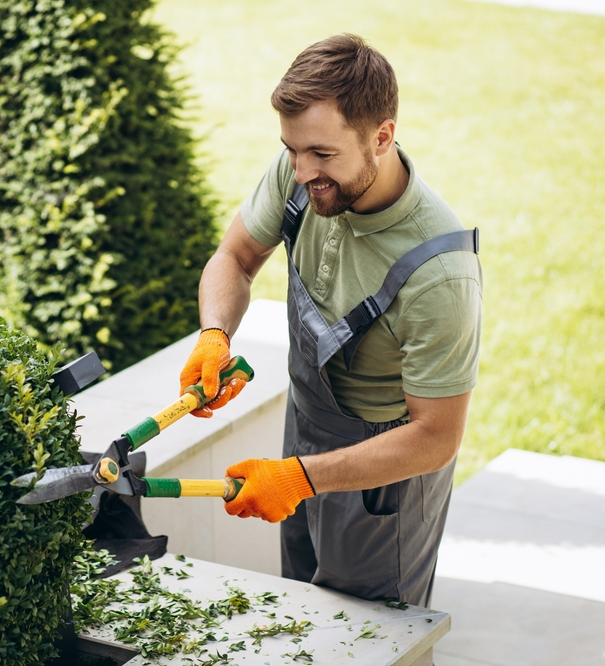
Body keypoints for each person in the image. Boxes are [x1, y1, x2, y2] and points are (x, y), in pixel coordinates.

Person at [178, 34, 482, 607]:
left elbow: (437, 437)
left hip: (384, 474)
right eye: (292, 151)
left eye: (321, 154)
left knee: (368, 637)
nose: (300, 172)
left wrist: (302, 477)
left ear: (382, 137)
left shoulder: (439, 272)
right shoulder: (303, 174)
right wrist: (214, 334)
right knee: (306, 611)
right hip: (306, 428)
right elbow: (236, 257)